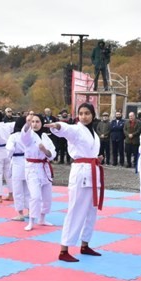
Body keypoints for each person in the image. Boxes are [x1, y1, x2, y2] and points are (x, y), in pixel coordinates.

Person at [45, 103, 104, 262]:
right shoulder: (77, 130)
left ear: (93, 115)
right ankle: (64, 249)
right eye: (81, 113)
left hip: (93, 172)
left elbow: (90, 151)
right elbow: (67, 130)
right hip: (81, 173)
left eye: (87, 113)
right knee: (76, 210)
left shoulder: (94, 134)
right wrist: (58, 126)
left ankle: (85, 244)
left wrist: (96, 158)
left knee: (91, 211)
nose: (84, 116)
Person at [21, 114, 56, 231]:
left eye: (37, 121)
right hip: (32, 168)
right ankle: (31, 220)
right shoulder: (29, 136)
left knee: (47, 196)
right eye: (33, 122)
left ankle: (42, 218)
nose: (35, 124)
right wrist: (27, 123)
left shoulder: (45, 136)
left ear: (41, 123)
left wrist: (44, 150)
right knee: (35, 196)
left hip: (44, 168)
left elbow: (52, 153)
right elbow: (24, 136)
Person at [5, 117, 29, 221]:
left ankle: (20, 213)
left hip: (17, 162)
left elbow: (10, 148)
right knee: (28, 189)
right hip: (28, 162)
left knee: (17, 189)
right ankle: (30, 211)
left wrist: (9, 156)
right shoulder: (29, 135)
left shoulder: (13, 136)